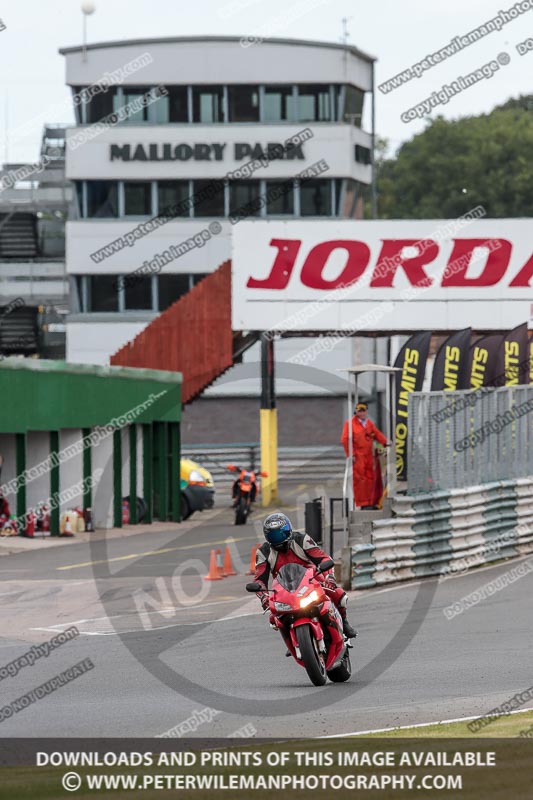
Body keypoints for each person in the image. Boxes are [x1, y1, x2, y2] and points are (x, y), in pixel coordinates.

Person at [254, 512, 357, 639]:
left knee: (339, 594)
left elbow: (323, 558)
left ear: (289, 530)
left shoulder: (301, 539)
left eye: (281, 533)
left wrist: (328, 577)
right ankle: (294, 638)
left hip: (311, 578)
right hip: (283, 587)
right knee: (273, 617)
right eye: (273, 535)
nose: (278, 538)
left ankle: (344, 622)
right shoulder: (263, 552)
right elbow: (259, 580)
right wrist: (264, 596)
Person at [341, 402, 390, 509]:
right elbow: (345, 440)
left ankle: (372, 502)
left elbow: (377, 434)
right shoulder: (350, 424)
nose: (362, 413)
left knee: (372, 479)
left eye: (364, 411)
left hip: (370, 456)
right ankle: (363, 503)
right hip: (358, 456)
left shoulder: (368, 423)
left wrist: (387, 443)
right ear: (356, 412)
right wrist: (351, 454)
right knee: (360, 480)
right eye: (360, 411)